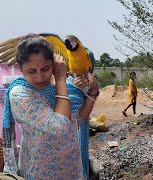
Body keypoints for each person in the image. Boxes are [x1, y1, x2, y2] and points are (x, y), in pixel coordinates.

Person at [2, 36, 99, 179]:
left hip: (71, 169)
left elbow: (76, 120)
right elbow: (60, 125)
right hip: (40, 173)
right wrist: (60, 79)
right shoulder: (20, 94)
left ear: (53, 64)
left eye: (45, 68)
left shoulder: (62, 89)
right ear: (21, 69)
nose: (40, 77)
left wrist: (93, 91)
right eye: (31, 71)